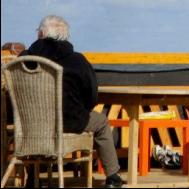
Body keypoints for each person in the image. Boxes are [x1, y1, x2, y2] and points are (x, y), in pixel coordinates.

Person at [20, 15, 123, 188]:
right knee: (102, 122)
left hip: (31, 124)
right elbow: (91, 96)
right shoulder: (77, 60)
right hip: (70, 121)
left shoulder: (24, 60)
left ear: (41, 34)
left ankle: (33, 176)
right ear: (65, 36)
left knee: (35, 126)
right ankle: (113, 177)